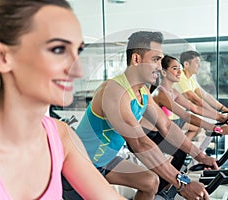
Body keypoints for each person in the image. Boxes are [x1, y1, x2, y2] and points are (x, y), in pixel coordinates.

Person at [0, 1, 125, 199]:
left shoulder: (60, 137)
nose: (77, 71)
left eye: (77, 51)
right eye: (58, 50)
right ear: (1, 57)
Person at [63, 31, 218, 200]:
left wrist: (200, 155)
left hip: (104, 161)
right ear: (136, 59)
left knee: (150, 181)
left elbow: (166, 126)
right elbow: (139, 143)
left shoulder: (142, 91)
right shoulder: (114, 91)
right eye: (155, 59)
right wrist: (183, 184)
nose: (160, 66)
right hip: (79, 165)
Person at [150, 55, 228, 140]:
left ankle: (180, 151)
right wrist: (217, 128)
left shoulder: (173, 92)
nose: (179, 72)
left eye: (180, 68)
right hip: (154, 132)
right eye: (175, 69)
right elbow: (185, 115)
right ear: (164, 73)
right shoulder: (161, 93)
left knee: (196, 129)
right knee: (193, 131)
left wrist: (221, 117)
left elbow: (195, 108)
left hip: (166, 126)